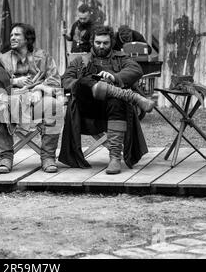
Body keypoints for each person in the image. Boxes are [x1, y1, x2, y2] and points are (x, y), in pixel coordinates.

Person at [59, 26, 155, 175]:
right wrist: (90, 82)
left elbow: (136, 70)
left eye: (105, 43)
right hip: (87, 111)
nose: (101, 46)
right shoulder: (80, 61)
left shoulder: (121, 58)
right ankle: (132, 96)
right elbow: (65, 80)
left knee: (115, 101)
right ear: (92, 42)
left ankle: (115, 157)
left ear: (112, 43)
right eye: (98, 42)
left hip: (112, 110)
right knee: (83, 81)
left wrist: (114, 78)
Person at [0, 23, 63, 174]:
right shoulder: (3, 58)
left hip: (37, 100)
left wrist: (40, 89)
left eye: (17, 35)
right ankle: (5, 157)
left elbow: (55, 81)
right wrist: (14, 82)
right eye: (11, 35)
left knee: (54, 105)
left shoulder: (43, 57)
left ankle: (48, 157)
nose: (12, 37)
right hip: (10, 100)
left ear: (27, 38)